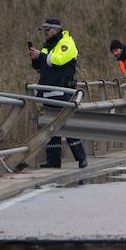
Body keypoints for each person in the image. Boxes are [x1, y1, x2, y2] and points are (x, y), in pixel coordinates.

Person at [28, 17, 88, 169]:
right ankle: (53, 161)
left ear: (56, 30)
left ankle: (81, 157)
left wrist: (40, 56)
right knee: (50, 126)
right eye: (44, 31)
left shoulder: (66, 43)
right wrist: (35, 59)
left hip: (63, 90)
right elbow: (43, 65)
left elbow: (58, 61)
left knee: (65, 124)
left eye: (47, 30)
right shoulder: (47, 45)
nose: (45, 33)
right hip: (48, 90)